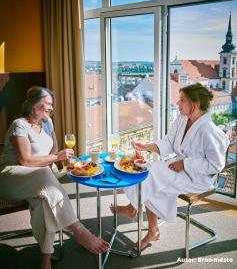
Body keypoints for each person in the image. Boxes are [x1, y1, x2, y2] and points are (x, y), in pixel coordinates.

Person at [110, 83, 229, 251]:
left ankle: (133, 209)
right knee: (148, 173)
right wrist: (146, 146)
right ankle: (152, 230)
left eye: (182, 100)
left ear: (194, 104)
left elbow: (216, 165)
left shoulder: (209, 130)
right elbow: (169, 142)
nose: (178, 104)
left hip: (199, 177)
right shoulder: (182, 119)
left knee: (152, 175)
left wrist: (185, 164)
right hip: (178, 168)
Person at [0, 86, 109, 269]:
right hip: (10, 177)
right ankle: (79, 230)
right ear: (35, 105)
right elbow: (25, 160)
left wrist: (65, 164)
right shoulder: (20, 125)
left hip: (39, 179)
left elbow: (54, 152)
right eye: (48, 104)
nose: (52, 108)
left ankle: (46, 259)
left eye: (52, 104)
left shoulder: (48, 122)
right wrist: (56, 158)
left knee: (45, 201)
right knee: (44, 175)